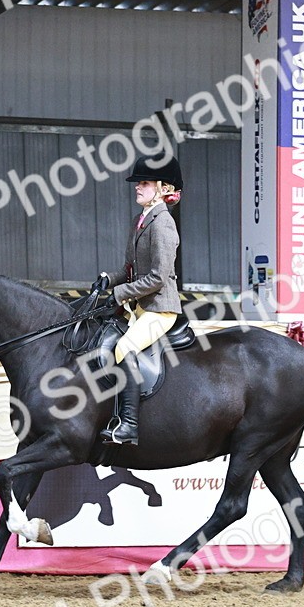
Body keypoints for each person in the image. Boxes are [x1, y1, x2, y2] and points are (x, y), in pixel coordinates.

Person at [99, 153, 184, 446]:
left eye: (144, 183)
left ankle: (129, 426)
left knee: (123, 348)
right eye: (138, 183)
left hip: (159, 309)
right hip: (140, 306)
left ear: (162, 188)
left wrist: (120, 293)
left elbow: (158, 277)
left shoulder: (163, 224)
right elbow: (130, 270)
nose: (137, 187)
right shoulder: (141, 220)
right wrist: (109, 280)